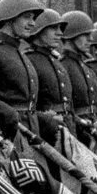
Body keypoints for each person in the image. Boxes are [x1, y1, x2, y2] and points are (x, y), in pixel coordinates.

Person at [0, 0, 44, 141]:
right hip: (9, 132)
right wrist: (9, 114)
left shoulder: (20, 53)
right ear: (9, 19)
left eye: (33, 18)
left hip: (31, 130)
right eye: (26, 17)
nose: (32, 23)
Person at [59, 10, 97, 144]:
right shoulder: (62, 67)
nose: (91, 39)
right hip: (77, 135)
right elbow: (65, 109)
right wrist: (82, 123)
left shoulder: (87, 69)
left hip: (96, 134)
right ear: (71, 35)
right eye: (85, 35)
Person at [25, 8, 73, 140]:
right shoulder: (30, 60)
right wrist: (47, 120)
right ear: (38, 30)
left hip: (66, 128)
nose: (59, 33)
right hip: (45, 131)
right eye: (53, 28)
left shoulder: (56, 61)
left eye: (60, 28)